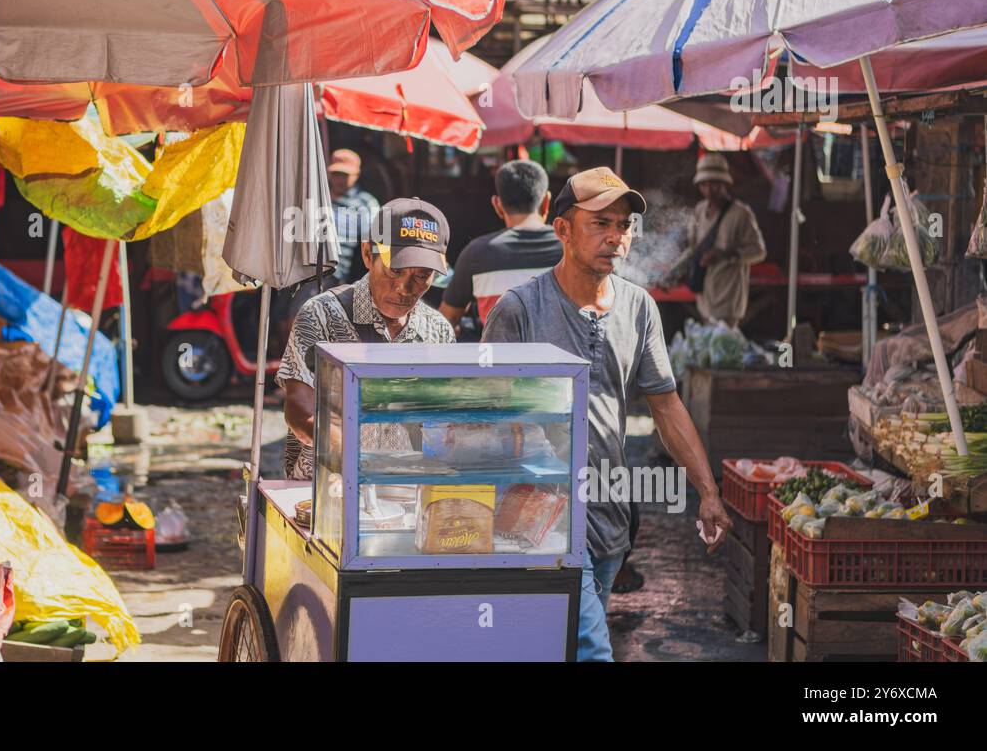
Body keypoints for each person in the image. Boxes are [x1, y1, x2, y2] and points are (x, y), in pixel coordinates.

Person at [481, 166, 730, 661]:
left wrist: (707, 491)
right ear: (563, 230)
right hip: (537, 516)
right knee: (592, 647)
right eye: (601, 223)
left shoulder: (639, 309)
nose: (617, 237)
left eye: (625, 225)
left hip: (611, 515)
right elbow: (487, 413)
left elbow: (666, 403)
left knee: (564, 640)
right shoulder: (519, 309)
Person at [276, 198, 455, 479]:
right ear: (368, 255)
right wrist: (356, 461)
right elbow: (299, 407)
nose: (405, 288)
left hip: (404, 489)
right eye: (395, 270)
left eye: (422, 275)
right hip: (325, 488)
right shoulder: (321, 313)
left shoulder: (438, 331)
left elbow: (444, 419)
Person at [439, 160, 563, 329]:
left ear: (497, 205)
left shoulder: (477, 253)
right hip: (563, 355)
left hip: (496, 355)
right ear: (546, 201)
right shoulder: (570, 246)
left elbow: (446, 321)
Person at [666, 152, 766, 328]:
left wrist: (727, 254)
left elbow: (759, 251)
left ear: (725, 183)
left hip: (729, 298)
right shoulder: (699, 210)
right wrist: (672, 273)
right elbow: (692, 249)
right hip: (705, 296)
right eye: (704, 184)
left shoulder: (741, 214)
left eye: (714, 183)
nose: (709, 189)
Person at [327, 149, 381, 285]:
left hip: (331, 272)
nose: (339, 179)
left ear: (357, 175)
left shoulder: (366, 203)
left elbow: (376, 243)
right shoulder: (319, 197)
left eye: (344, 175)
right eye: (336, 174)